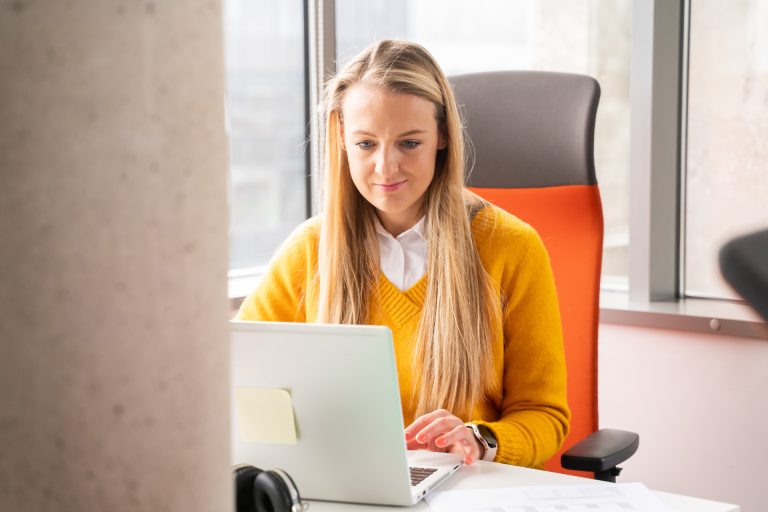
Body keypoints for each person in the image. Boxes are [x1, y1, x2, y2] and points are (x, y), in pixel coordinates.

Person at [236, 40, 570, 469]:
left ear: (443, 137)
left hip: (473, 489)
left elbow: (544, 415)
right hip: (347, 485)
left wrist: (480, 439)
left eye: (409, 144)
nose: (386, 167)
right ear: (342, 139)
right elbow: (240, 381)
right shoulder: (309, 251)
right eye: (365, 144)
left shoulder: (511, 247)